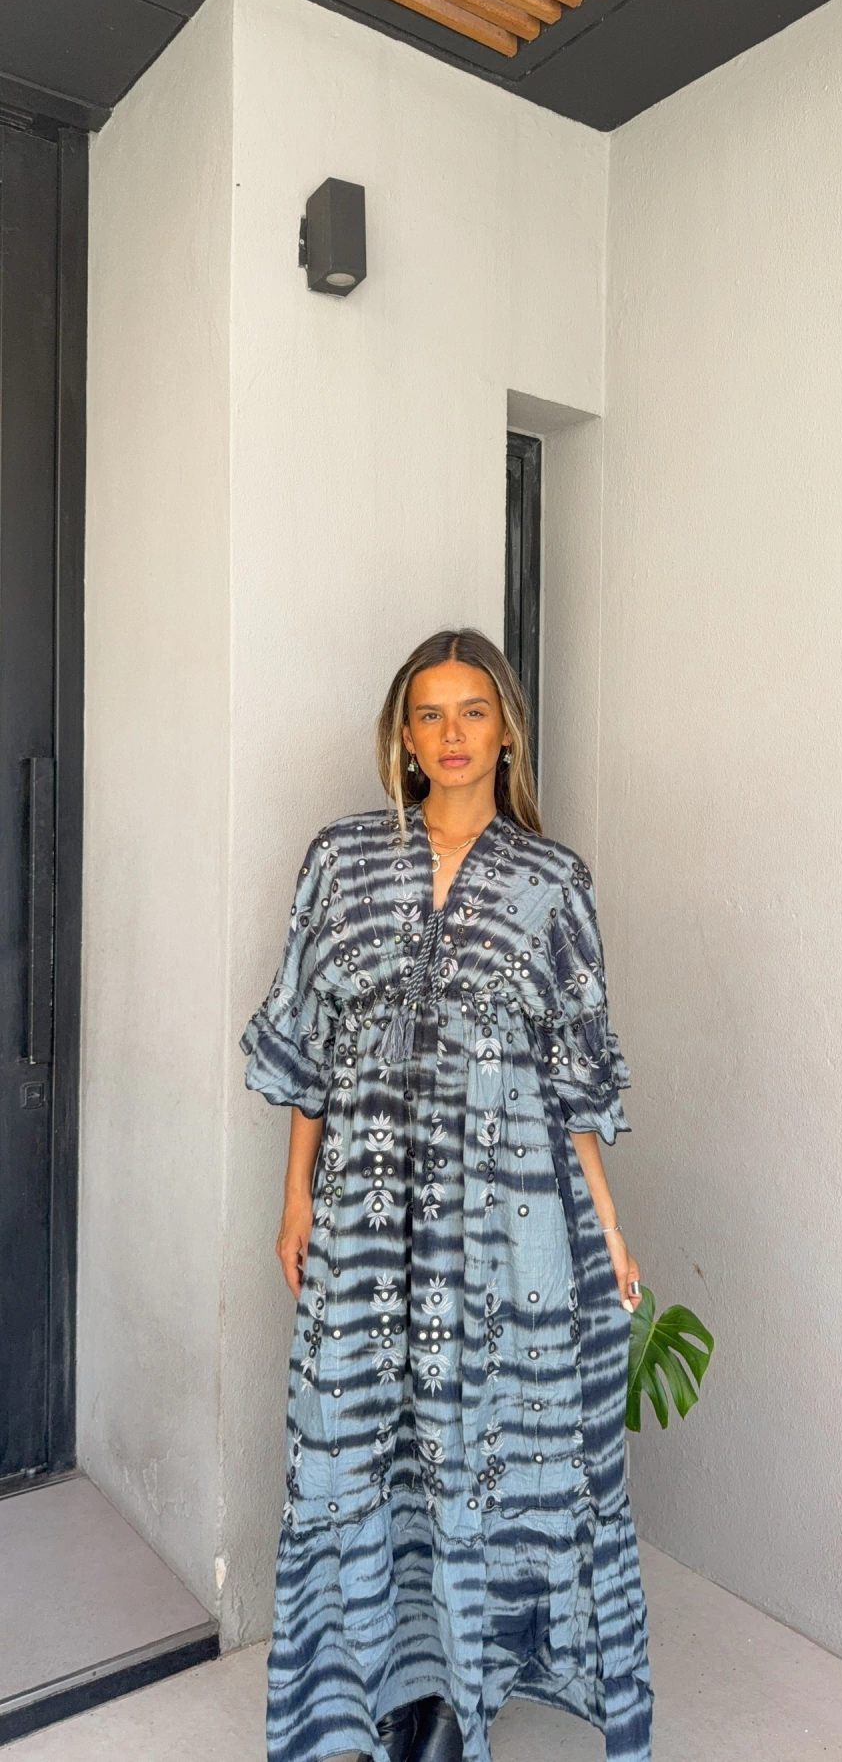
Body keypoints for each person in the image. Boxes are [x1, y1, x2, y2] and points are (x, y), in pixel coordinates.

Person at [241, 627, 653, 1762]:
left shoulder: (552, 882)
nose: (452, 733)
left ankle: (458, 1699)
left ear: (506, 728)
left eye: (474, 710)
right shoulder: (341, 861)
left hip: (505, 1223)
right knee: (361, 1439)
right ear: (404, 736)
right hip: (368, 1217)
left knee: (480, 1440)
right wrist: (295, 1200)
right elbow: (306, 1043)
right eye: (429, 713)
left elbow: (576, 1077)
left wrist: (610, 1229)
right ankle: (385, 1692)